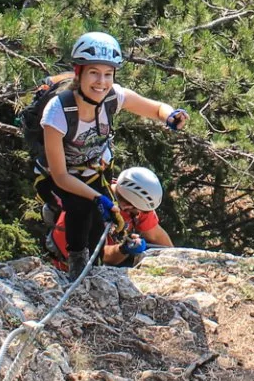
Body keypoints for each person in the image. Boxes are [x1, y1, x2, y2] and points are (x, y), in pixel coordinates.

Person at [32, 31, 187, 278]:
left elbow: (155, 108)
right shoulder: (58, 111)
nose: (101, 82)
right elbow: (61, 177)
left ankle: (94, 272)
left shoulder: (113, 96)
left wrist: (170, 115)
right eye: (94, 72)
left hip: (95, 172)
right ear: (79, 71)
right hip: (56, 178)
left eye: (107, 74)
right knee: (81, 208)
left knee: (100, 225)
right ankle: (77, 266)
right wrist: (97, 199)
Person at [47, 166, 173, 269]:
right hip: (75, 267)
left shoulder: (135, 204)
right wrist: (125, 249)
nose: (142, 213)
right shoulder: (87, 211)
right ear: (127, 206)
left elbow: (155, 235)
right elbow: (103, 255)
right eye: (138, 210)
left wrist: (178, 258)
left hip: (110, 254)